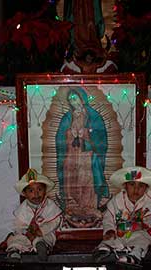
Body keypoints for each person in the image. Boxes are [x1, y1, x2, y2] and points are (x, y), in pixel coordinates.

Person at [93, 166, 151, 267]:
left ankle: (134, 256)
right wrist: (109, 230)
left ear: (146, 188)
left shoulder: (148, 204)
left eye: (141, 186)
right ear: (125, 186)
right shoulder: (116, 201)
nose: (136, 189)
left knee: (143, 239)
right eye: (132, 184)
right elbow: (108, 218)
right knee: (111, 239)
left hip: (138, 233)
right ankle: (103, 249)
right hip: (120, 233)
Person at [56, 87, 108, 227]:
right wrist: (69, 133)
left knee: (86, 180)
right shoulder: (67, 117)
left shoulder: (93, 116)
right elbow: (60, 138)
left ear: (82, 98)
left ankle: (88, 207)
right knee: (71, 180)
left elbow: (100, 136)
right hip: (71, 155)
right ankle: (72, 206)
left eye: (75, 98)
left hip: (86, 155)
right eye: (70, 99)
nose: (73, 102)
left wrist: (86, 133)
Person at [6, 168, 62, 260]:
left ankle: (42, 247)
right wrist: (26, 232)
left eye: (39, 189)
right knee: (16, 238)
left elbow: (55, 221)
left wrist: (42, 230)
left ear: (45, 190)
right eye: (31, 191)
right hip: (27, 234)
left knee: (48, 237)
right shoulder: (23, 208)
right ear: (25, 193)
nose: (36, 194)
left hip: (44, 233)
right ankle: (14, 251)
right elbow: (18, 225)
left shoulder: (50, 205)